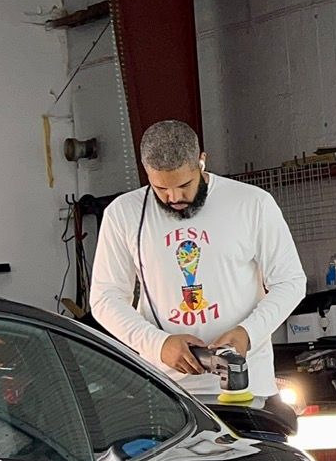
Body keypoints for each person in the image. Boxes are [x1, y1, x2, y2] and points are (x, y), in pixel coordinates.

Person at [89, 119, 306, 421]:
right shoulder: (123, 214)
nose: (174, 198)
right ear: (146, 172)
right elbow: (104, 298)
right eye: (160, 188)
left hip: (246, 388)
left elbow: (291, 282)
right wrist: (158, 344)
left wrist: (247, 333)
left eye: (184, 185)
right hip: (167, 392)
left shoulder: (252, 203)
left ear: (202, 161)